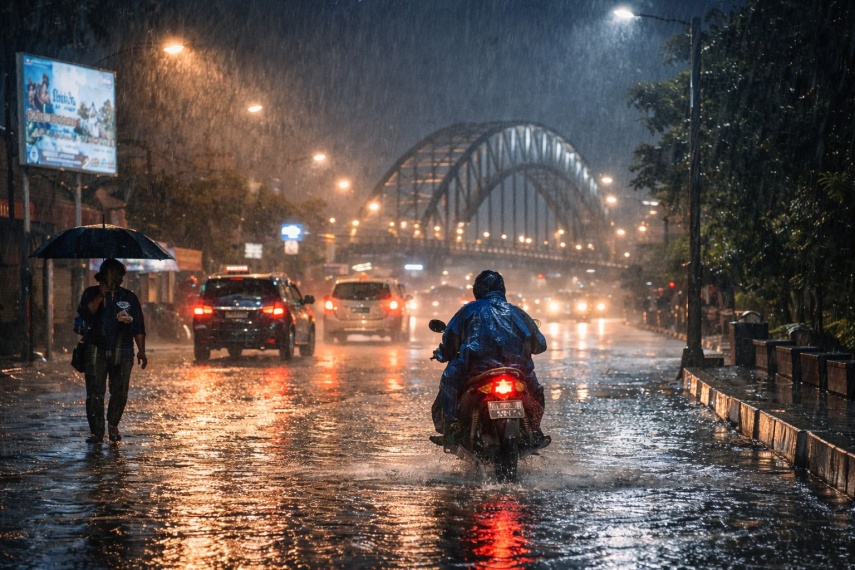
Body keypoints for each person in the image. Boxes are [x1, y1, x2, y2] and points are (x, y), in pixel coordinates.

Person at [430, 270, 549, 448]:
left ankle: (451, 427)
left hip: (474, 371)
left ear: (478, 289)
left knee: (449, 381)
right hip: (517, 371)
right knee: (536, 391)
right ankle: (535, 430)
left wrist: (442, 354)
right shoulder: (516, 313)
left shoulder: (468, 310)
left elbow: (450, 341)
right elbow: (540, 345)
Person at [77, 258, 147, 443]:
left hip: (123, 349)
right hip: (95, 348)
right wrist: (100, 296)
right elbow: (86, 313)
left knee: (120, 391)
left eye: (120, 276)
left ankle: (113, 425)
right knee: (94, 393)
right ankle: (96, 432)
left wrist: (141, 350)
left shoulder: (129, 297)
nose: (119, 279)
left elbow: (139, 326)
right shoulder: (90, 293)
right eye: (115, 275)